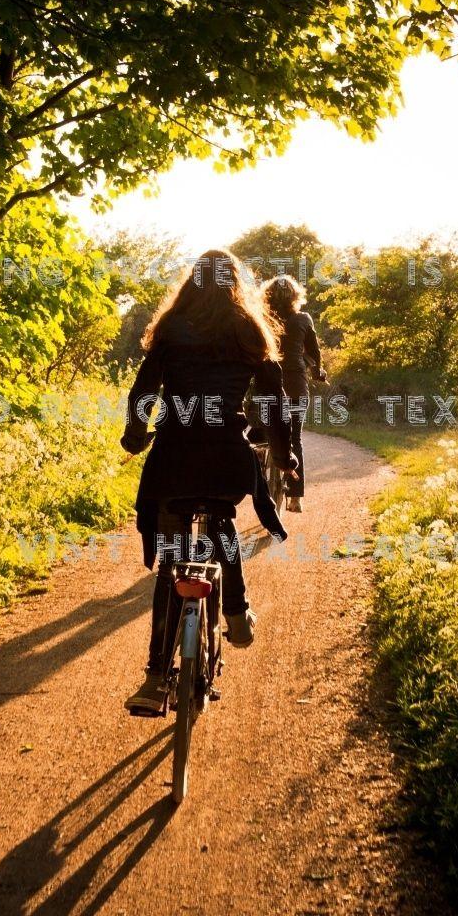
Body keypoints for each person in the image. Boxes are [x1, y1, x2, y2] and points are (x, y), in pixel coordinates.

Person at [120, 250, 297, 715]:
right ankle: (236, 612)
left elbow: (144, 392)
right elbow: (275, 404)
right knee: (222, 518)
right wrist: (284, 456)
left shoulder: (172, 329)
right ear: (237, 285)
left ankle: (156, 678)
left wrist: (135, 437)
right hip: (226, 457)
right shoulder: (249, 330)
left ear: (191, 284)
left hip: (175, 456)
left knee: (172, 562)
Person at [262, 274, 326, 513]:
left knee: (260, 433)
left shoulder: (262, 319)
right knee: (294, 439)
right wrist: (318, 371)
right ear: (295, 296)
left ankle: (259, 468)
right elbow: (315, 352)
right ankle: (296, 498)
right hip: (295, 387)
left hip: (265, 387)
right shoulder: (303, 319)